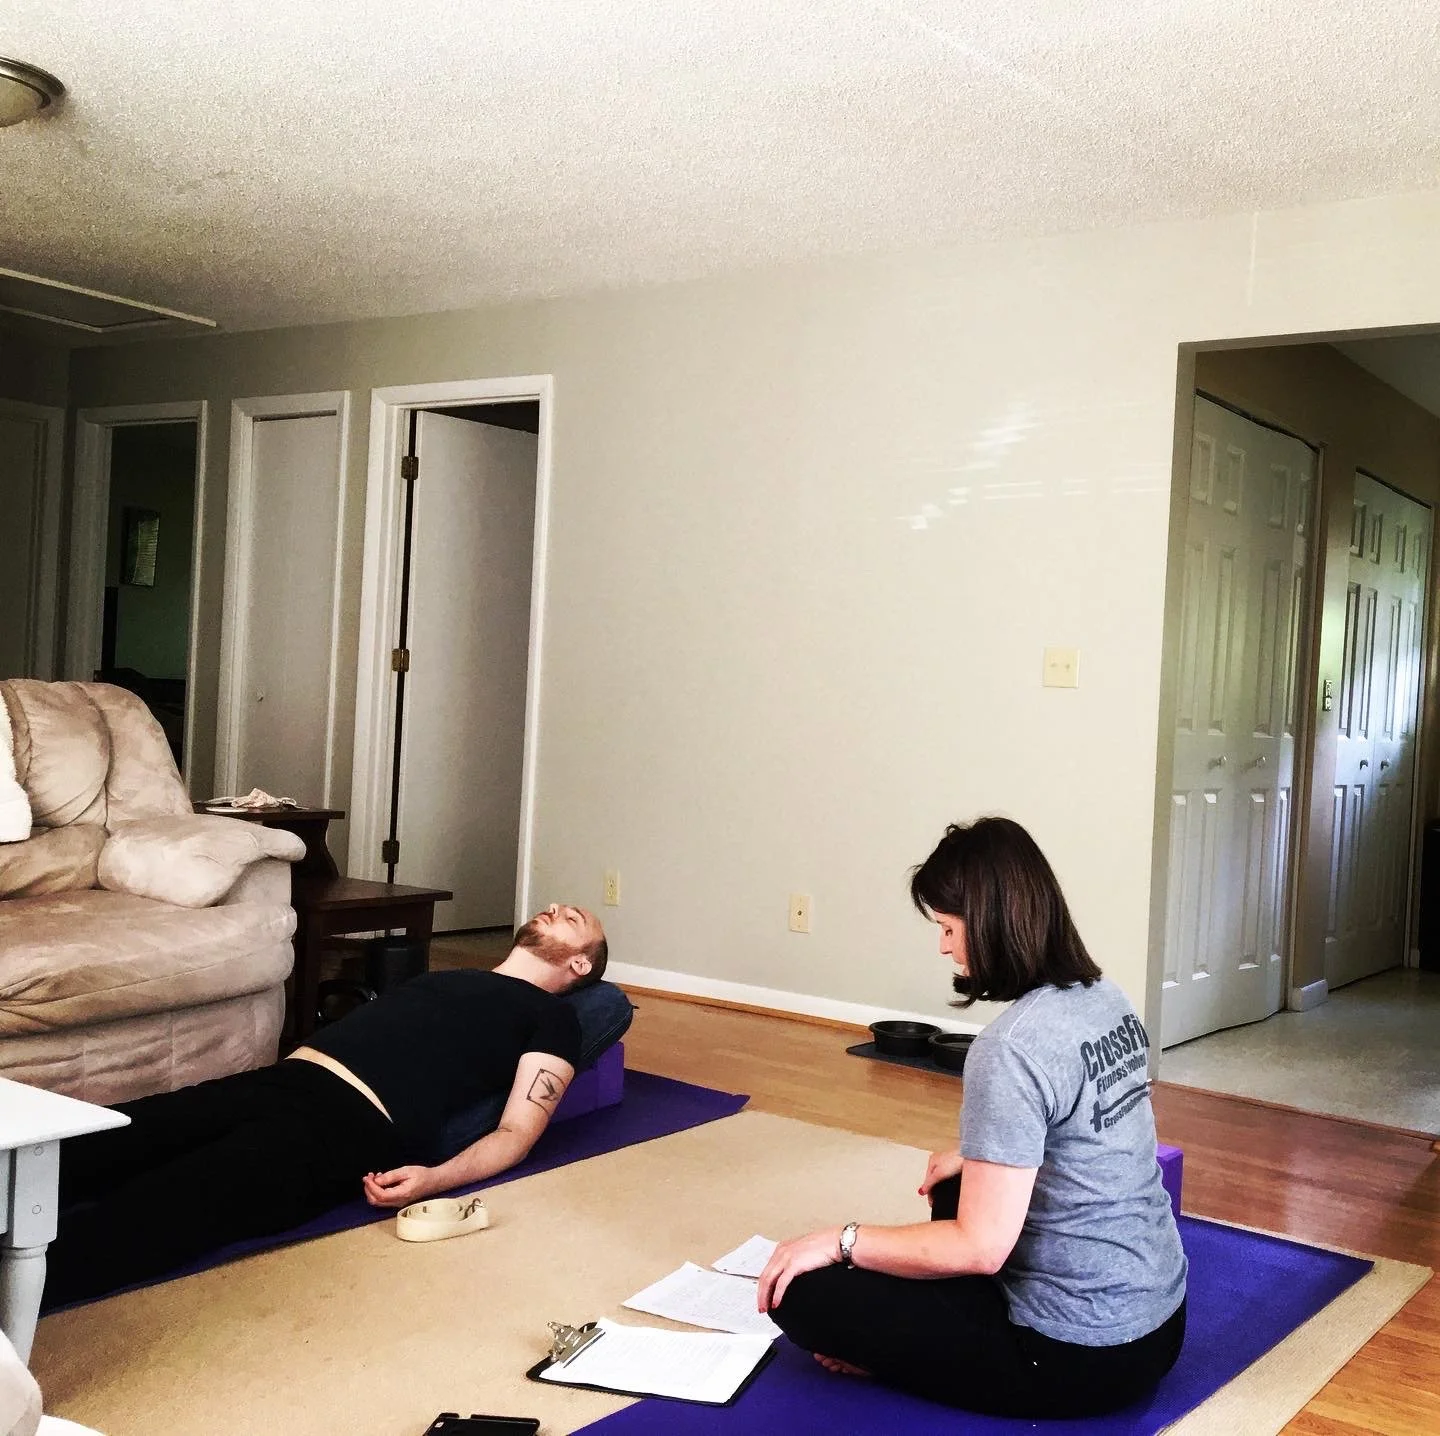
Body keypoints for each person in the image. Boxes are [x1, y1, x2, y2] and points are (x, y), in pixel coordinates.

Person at [757, 818, 1188, 1420]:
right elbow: (1103, 1134)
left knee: (798, 1292)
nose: (943, 947)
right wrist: (976, 1157)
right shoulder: (1104, 998)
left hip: (1074, 1357)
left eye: (948, 928)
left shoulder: (1011, 1046)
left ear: (992, 922)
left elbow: (981, 1249)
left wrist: (840, 1240)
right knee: (957, 1183)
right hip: (1160, 1325)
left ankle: (896, 1358)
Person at [44, 903, 616, 1308]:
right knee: (108, 1140)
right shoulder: (453, 975)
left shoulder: (554, 1019)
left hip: (349, 1124)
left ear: (581, 965)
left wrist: (436, 1178)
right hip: (281, 1079)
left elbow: (518, 1130)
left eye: (573, 919)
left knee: (164, 1206)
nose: (555, 907)